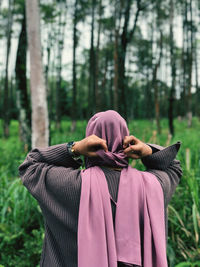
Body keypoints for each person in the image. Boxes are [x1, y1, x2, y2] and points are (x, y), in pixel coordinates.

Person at [18, 110, 182, 267]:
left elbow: (30, 165)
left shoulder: (70, 184)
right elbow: (173, 165)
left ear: (90, 139)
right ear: (126, 139)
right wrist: (148, 150)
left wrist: (74, 148)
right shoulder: (153, 186)